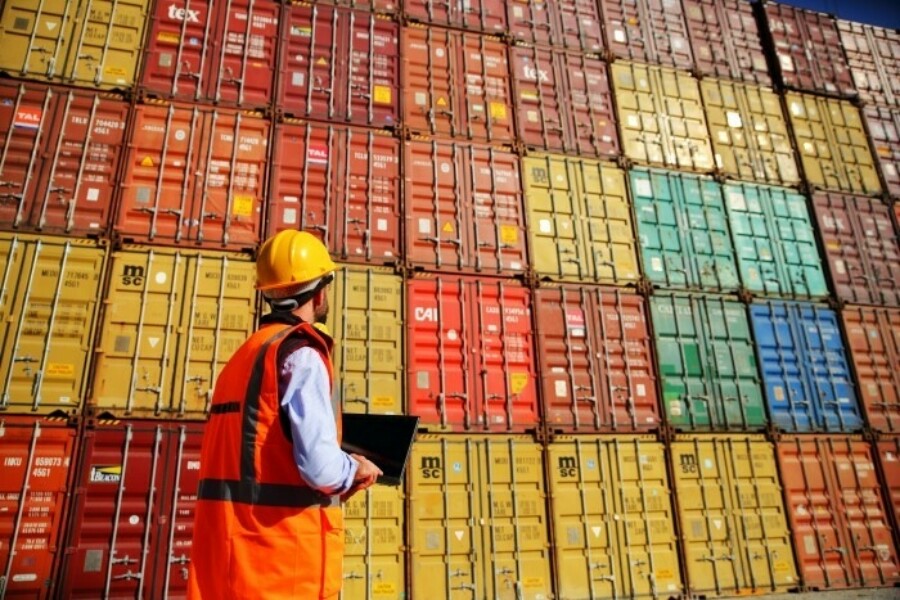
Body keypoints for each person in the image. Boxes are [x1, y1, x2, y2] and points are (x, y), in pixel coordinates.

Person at [187, 230, 382, 599]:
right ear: (321, 292)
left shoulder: (243, 358)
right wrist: (355, 468)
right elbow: (320, 469)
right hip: (281, 567)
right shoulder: (303, 355)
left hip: (227, 566)